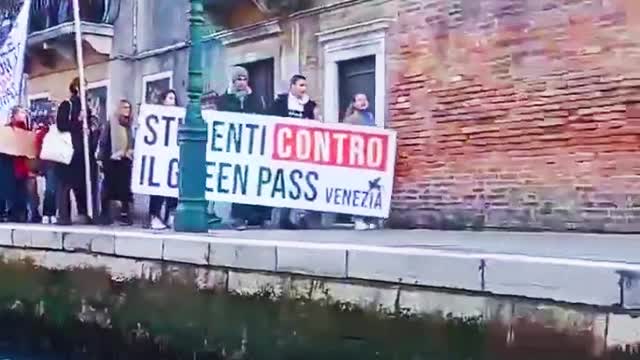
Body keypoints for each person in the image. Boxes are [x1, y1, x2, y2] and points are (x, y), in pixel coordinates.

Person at [217, 66, 271, 230]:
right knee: (238, 181)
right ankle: (238, 217)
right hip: (234, 147)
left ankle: (256, 217)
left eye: (244, 79)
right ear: (233, 81)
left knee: (254, 181)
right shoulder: (224, 99)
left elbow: (263, 117)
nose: (241, 83)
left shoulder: (255, 98)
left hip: (253, 147)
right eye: (238, 79)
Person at [268, 75, 320, 229]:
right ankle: (283, 218)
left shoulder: (310, 105)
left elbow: (316, 125)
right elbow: (270, 121)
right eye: (301, 85)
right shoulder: (280, 103)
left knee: (302, 182)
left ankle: (301, 217)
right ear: (292, 86)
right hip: (283, 149)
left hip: (303, 149)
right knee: (286, 183)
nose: (304, 88)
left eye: (305, 85)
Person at [55, 77, 98, 226]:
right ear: (76, 87)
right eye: (83, 85)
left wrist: (90, 130)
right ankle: (64, 216)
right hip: (69, 150)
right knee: (66, 184)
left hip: (83, 152)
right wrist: (78, 121)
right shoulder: (67, 105)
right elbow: (61, 125)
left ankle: (84, 213)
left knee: (83, 183)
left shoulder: (87, 106)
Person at [343, 93, 381, 230]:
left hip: (369, 158)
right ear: (354, 103)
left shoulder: (370, 117)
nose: (363, 102)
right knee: (358, 187)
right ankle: (357, 218)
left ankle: (369, 217)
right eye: (359, 100)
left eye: (365, 99)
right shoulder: (351, 119)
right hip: (356, 159)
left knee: (369, 189)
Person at [97, 99, 134, 226]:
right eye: (124, 107)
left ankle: (125, 214)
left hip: (125, 160)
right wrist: (102, 158)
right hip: (111, 159)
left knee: (125, 188)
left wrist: (129, 151)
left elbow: (132, 141)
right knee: (108, 187)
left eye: (128, 108)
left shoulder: (129, 125)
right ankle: (105, 214)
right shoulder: (111, 123)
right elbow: (104, 141)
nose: (127, 110)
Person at [147, 89, 179, 230]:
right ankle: (154, 216)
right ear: (163, 100)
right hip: (159, 158)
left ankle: (170, 215)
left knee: (172, 188)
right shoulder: (156, 116)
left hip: (172, 158)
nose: (172, 101)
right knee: (158, 189)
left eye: (174, 98)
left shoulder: (179, 117)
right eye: (170, 98)